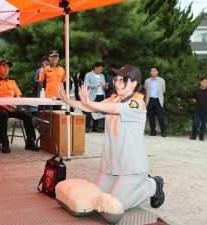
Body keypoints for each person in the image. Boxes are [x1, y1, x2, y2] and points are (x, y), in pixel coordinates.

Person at [57, 65, 165, 211]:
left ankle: (152, 185)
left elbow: (113, 110)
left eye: (122, 80)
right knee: (96, 201)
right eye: (116, 79)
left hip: (131, 166)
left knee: (115, 206)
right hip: (111, 165)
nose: (117, 83)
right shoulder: (113, 99)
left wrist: (89, 102)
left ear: (133, 84)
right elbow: (92, 108)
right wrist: (67, 101)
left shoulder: (137, 103)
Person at [0, 60, 40, 153]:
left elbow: (18, 95)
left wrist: (14, 104)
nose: (6, 69)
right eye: (4, 66)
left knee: (27, 114)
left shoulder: (12, 82)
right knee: (3, 115)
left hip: (12, 108)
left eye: (8, 67)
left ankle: (30, 141)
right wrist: (5, 106)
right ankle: (4, 143)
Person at [84, 62, 107, 133]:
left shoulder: (102, 76)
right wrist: (97, 85)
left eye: (102, 69)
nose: (101, 71)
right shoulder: (88, 74)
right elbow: (86, 84)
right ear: (95, 68)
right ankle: (87, 126)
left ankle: (95, 127)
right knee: (89, 111)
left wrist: (105, 86)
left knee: (98, 111)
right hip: (92, 95)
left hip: (101, 95)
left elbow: (104, 85)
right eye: (100, 69)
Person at [189, 77, 207, 141]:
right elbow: (193, 98)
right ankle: (193, 136)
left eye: (206, 82)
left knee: (204, 124)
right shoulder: (196, 91)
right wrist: (197, 102)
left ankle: (201, 137)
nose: (205, 83)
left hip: (206, 111)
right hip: (198, 110)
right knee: (196, 123)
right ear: (200, 82)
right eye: (204, 82)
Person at [144, 66, 166, 137]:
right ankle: (153, 131)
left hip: (158, 100)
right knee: (151, 116)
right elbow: (145, 90)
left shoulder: (161, 80)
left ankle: (163, 131)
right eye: (151, 71)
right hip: (149, 100)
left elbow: (163, 90)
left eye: (154, 71)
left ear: (157, 72)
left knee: (160, 116)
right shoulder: (147, 81)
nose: (152, 72)